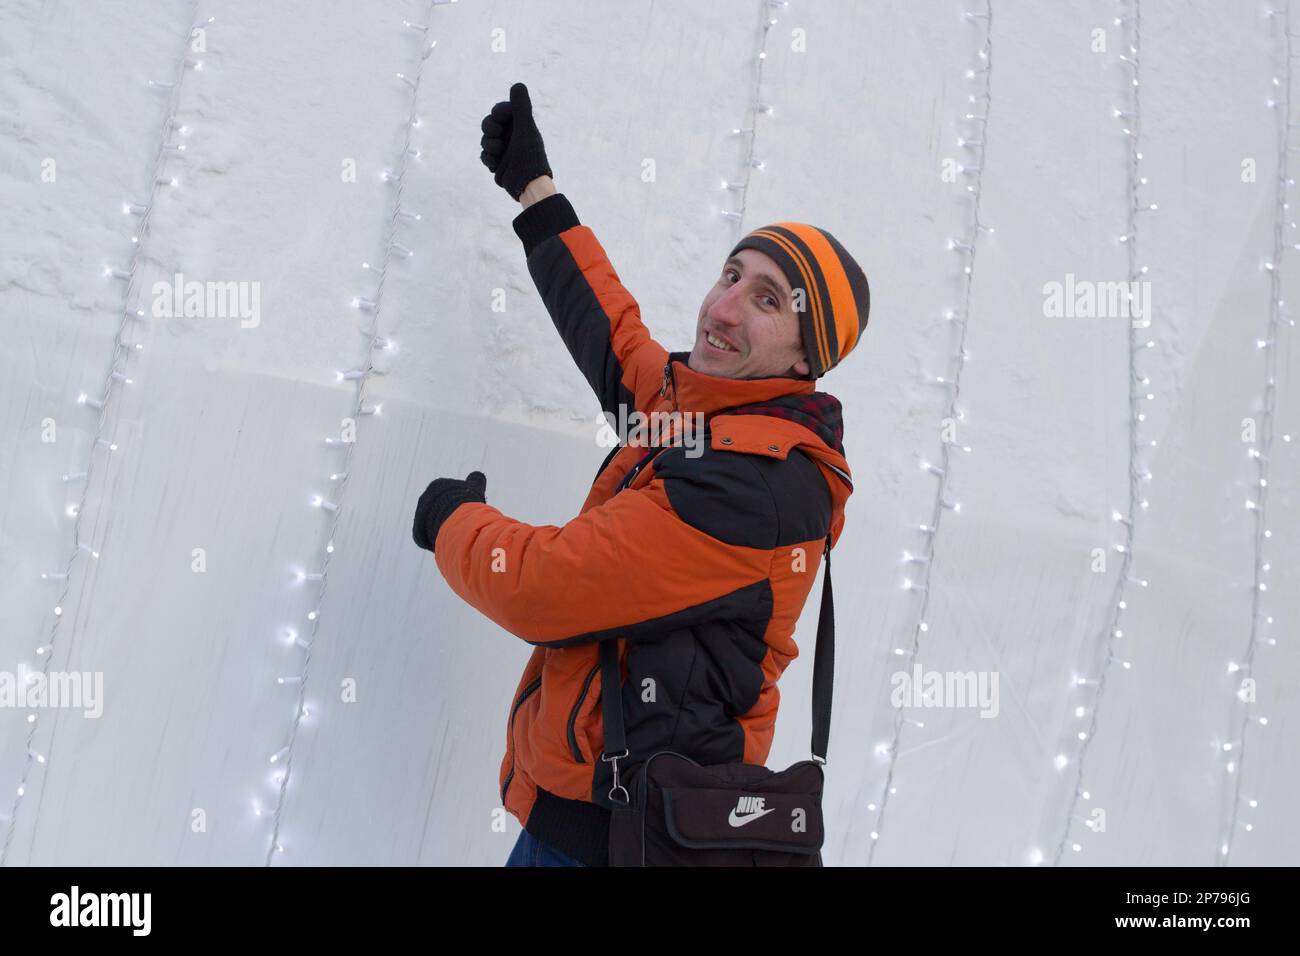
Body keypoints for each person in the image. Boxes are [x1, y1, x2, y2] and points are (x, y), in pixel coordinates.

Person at [412, 83, 869, 867]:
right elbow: (616, 340)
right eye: (730, 276)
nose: (723, 310)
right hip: (592, 817)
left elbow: (546, 587)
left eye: (766, 298)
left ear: (806, 357)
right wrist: (537, 192)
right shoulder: (706, 414)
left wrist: (454, 521)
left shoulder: (753, 484)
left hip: (623, 844)